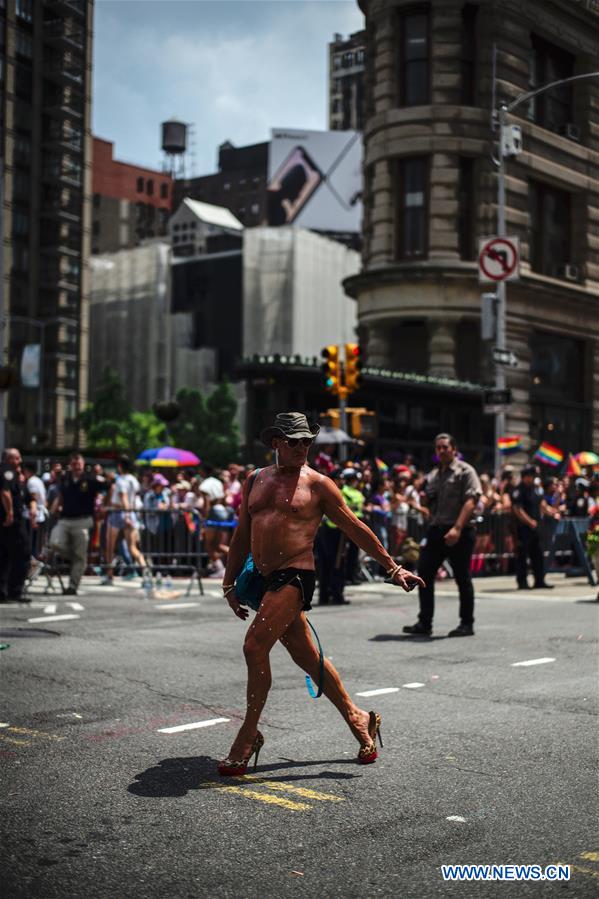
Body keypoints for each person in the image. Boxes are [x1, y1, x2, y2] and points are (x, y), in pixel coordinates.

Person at [218, 412, 424, 775]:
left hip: (295, 576)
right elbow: (241, 533)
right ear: (276, 443)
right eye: (294, 441)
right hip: (262, 579)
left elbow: (355, 527)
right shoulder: (255, 480)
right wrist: (229, 582)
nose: (302, 448)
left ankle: (248, 734)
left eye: (306, 442)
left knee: (254, 646)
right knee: (307, 657)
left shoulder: (318, 485)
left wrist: (393, 567)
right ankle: (359, 718)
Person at [403, 433, 482, 638]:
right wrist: (422, 498)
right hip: (436, 530)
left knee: (462, 578)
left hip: (460, 531)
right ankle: (424, 622)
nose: (441, 450)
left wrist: (457, 528)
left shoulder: (466, 471)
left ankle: (467, 623)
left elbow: (471, 501)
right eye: (438, 448)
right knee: (424, 575)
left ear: (454, 449)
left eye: (445, 447)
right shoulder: (433, 475)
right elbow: (429, 503)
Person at [50, 453, 104, 595]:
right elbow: (61, 495)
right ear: (70, 465)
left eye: (79, 463)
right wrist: (54, 508)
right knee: (55, 543)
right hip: (65, 520)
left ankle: (72, 586)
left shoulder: (90, 479)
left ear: (83, 464)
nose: (76, 466)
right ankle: (76, 557)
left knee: (80, 555)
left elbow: (109, 486)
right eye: (74, 464)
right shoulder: (65, 479)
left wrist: (104, 507)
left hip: (83, 521)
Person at [511, 464, 560, 590]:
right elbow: (518, 509)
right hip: (523, 528)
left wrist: (552, 512)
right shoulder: (519, 490)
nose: (531, 478)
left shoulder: (536, 489)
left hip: (536, 527)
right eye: (530, 476)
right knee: (522, 555)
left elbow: (542, 504)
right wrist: (529, 521)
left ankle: (539, 580)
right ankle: (522, 582)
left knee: (538, 554)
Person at [101, 456, 147, 585]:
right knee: (132, 547)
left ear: (120, 466)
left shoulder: (121, 480)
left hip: (119, 513)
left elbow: (124, 498)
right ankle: (145, 571)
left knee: (110, 547)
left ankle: (110, 576)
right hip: (130, 513)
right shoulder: (133, 480)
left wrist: (126, 515)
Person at [0, 448, 30, 603]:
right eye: (16, 458)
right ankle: (14, 591)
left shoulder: (14, 474)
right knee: (22, 554)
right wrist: (10, 513)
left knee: (4, 556)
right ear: (8, 459)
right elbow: (5, 492)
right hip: (11, 522)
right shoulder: (8, 472)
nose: (19, 461)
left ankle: (2, 592)